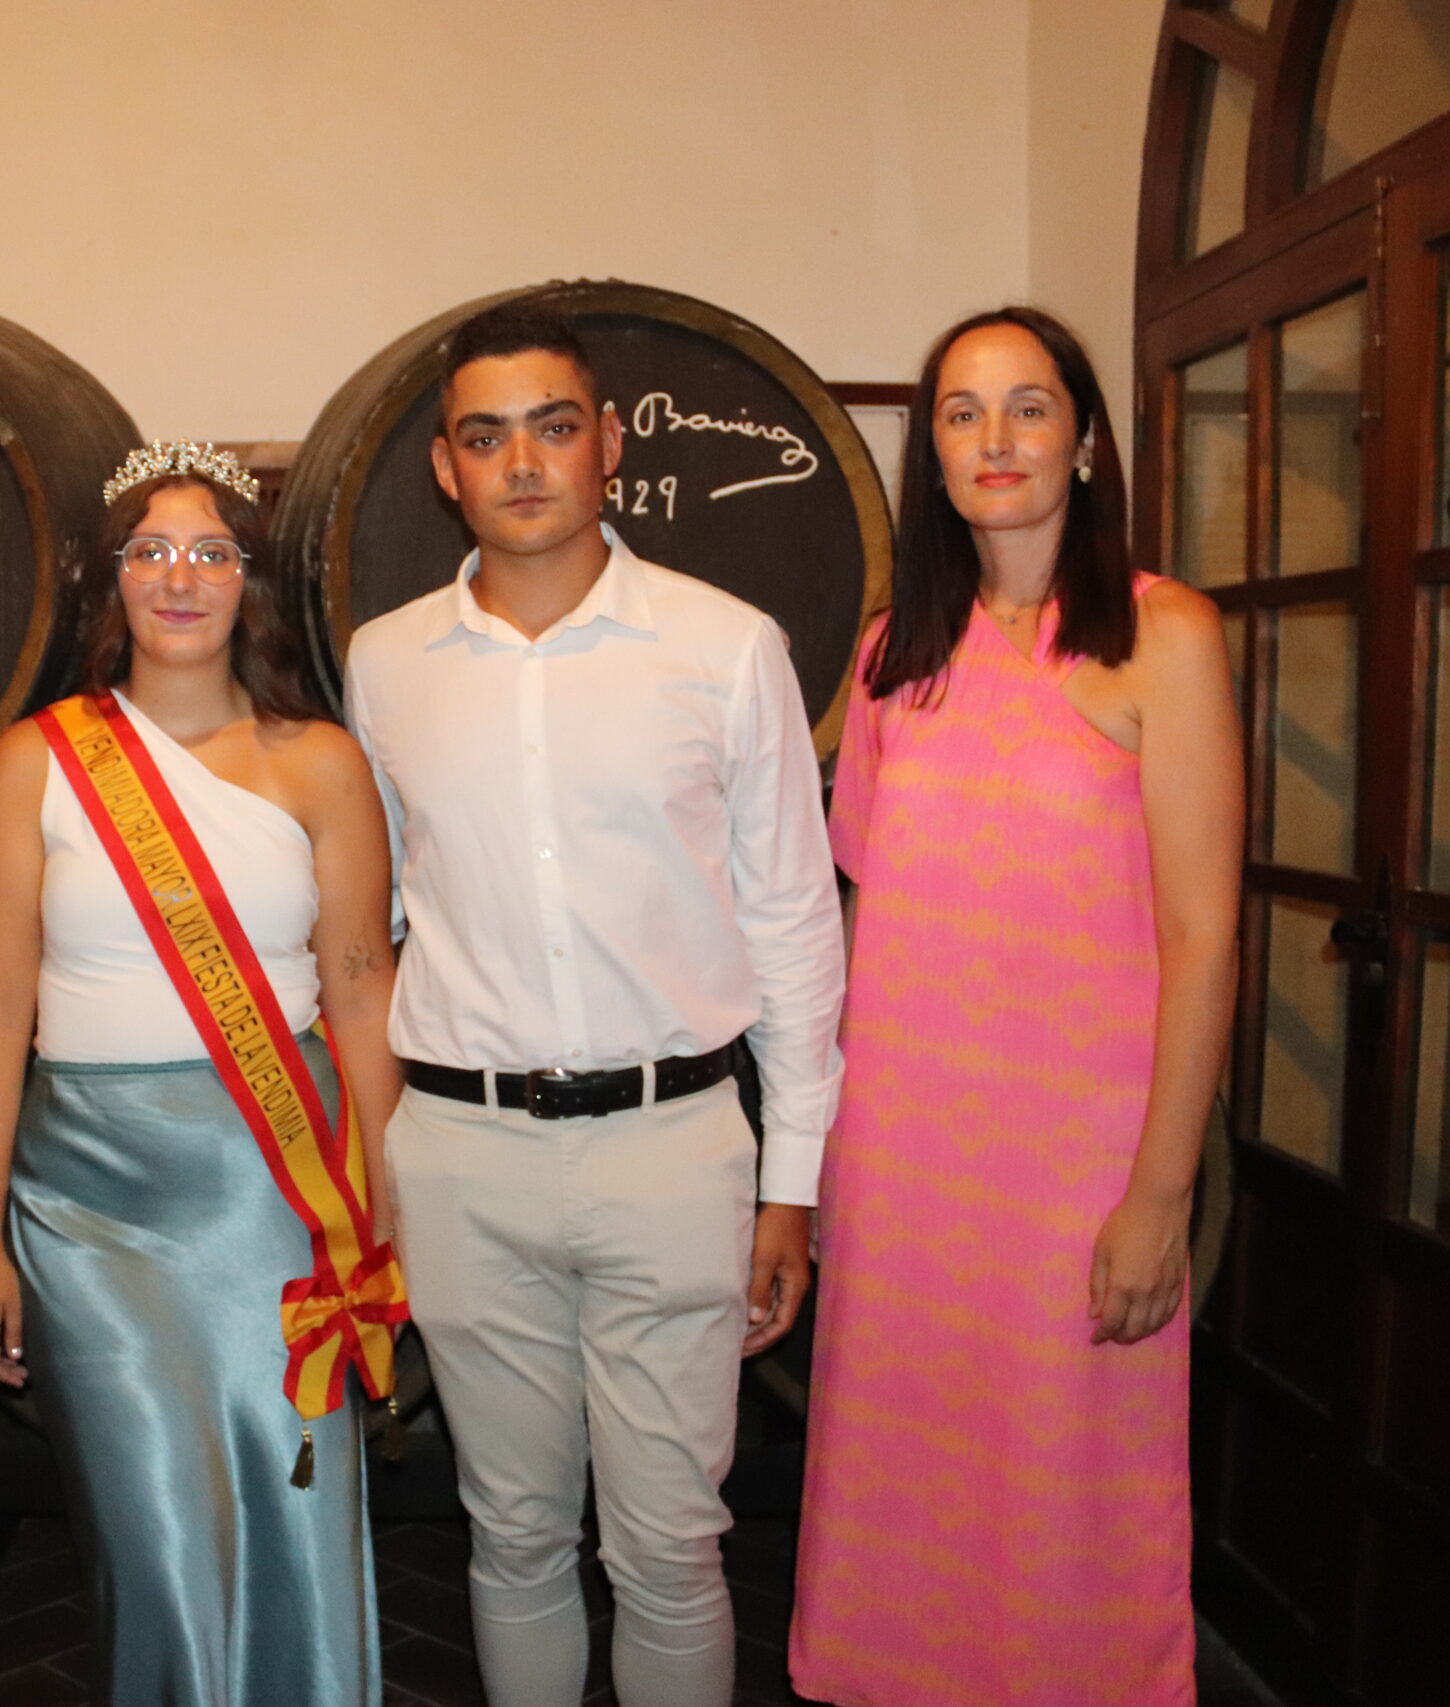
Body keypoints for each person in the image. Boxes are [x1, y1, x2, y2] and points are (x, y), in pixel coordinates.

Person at [342, 304, 846, 1707]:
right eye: (485, 435)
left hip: (672, 1142)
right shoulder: (385, 664)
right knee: (509, 1534)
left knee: (674, 1546)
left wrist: (791, 1183)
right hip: (462, 1150)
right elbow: (369, 931)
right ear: (446, 467)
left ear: (608, 444)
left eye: (552, 427)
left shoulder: (725, 645)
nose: (521, 464)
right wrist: (375, 1164)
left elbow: (797, 928)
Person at [789, 306, 1243, 1706]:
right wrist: (810, 1171)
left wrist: (1159, 1192)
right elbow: (859, 918)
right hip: (906, 1163)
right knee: (897, 1493)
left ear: (1087, 440)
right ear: (931, 453)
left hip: (1074, 1173)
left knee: (1069, 1511)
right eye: (964, 412)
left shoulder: (1163, 634)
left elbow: (1204, 932)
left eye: (1030, 406)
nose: (997, 439)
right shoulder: (886, 658)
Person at [0, 442, 406, 1707]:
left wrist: (386, 1206)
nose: (180, 577)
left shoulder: (320, 763)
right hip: (91, 1203)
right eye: (150, 551)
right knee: (153, 1525)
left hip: (279, 1191)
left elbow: (362, 990)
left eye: (211, 551)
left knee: (291, 1496)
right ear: (111, 582)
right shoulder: (38, 761)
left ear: (249, 581)